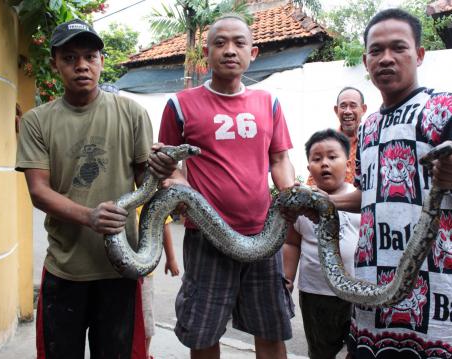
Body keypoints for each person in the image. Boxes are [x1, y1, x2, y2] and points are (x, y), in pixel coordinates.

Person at [325, 9, 452, 359]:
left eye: (398, 48)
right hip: (373, 290)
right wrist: (321, 203)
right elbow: (369, 196)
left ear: (419, 54)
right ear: (365, 60)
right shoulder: (368, 126)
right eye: (376, 51)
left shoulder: (450, 109)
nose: (386, 58)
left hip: (441, 299)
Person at [149, 14, 296, 359]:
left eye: (239, 43)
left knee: (271, 329)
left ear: (253, 52)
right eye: (220, 43)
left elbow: (279, 160)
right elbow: (169, 169)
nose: (230, 50)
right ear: (206, 52)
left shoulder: (269, 103)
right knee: (204, 333)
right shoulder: (180, 105)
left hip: (264, 236)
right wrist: (180, 185)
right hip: (205, 238)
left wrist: (292, 195)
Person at [16, 19, 153, 359]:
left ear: (102, 61)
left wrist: (164, 173)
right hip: (65, 271)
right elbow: (38, 190)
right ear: (55, 64)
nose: (81, 66)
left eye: (90, 56)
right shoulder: (37, 121)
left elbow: (148, 183)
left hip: (120, 271)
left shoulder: (132, 113)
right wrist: (89, 216)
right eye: (70, 57)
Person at [283, 129, 360, 359]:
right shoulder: (301, 205)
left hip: (355, 293)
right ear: (309, 169)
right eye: (317, 159)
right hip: (315, 293)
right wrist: (287, 277)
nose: (324, 163)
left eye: (332, 157)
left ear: (347, 165)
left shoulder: (358, 199)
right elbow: (292, 243)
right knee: (320, 351)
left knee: (356, 348)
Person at [307, 87, 367, 186]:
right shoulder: (327, 143)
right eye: (343, 106)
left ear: (363, 109)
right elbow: (313, 184)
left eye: (353, 106)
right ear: (336, 110)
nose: (348, 111)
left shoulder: (372, 141)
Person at [142, 221, 180, 359]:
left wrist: (171, 259)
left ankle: (144, 353)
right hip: (117, 274)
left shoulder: (148, 199)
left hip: (144, 273)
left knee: (146, 318)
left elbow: (163, 223)